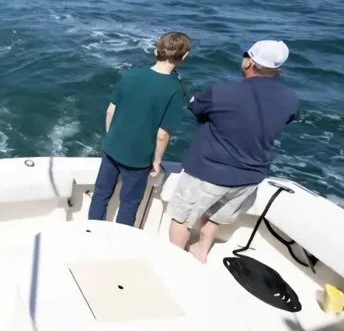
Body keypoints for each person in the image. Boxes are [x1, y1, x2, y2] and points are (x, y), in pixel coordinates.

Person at [168, 40, 298, 263]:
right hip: (249, 178)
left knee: (182, 218)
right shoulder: (291, 99)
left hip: (208, 172)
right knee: (216, 216)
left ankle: (173, 261)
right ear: (278, 68)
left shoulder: (222, 92)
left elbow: (196, 107)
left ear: (249, 63)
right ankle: (200, 251)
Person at [88, 32, 191, 227]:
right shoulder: (176, 89)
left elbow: (110, 110)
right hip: (138, 159)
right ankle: (120, 238)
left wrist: (111, 137)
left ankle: (92, 231)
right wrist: (157, 162)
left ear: (156, 51)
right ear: (184, 56)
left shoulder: (132, 74)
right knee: (129, 203)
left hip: (111, 148)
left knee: (101, 194)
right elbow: (163, 134)